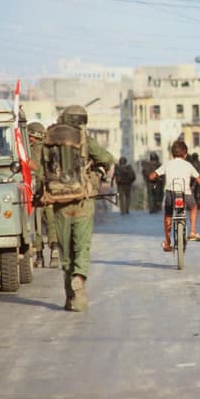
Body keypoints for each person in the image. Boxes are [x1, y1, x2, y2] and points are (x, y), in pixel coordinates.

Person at [39, 105, 114, 312]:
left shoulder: (48, 138)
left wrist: (41, 196)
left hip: (59, 204)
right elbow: (107, 159)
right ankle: (79, 278)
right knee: (82, 246)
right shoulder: (83, 139)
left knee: (66, 252)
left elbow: (40, 174)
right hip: (83, 201)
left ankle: (70, 298)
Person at [149, 140, 200, 251]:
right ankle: (193, 231)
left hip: (170, 195)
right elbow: (199, 181)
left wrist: (155, 177)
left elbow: (152, 176)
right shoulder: (188, 165)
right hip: (186, 195)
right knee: (194, 207)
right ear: (185, 154)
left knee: (168, 215)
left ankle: (167, 242)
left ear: (172, 154)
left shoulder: (167, 164)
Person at [28, 121, 59, 269]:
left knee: (37, 224)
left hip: (37, 192)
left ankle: (39, 257)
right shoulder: (51, 149)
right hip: (51, 190)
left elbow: (32, 167)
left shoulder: (32, 150)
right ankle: (54, 250)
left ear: (33, 136)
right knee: (52, 222)